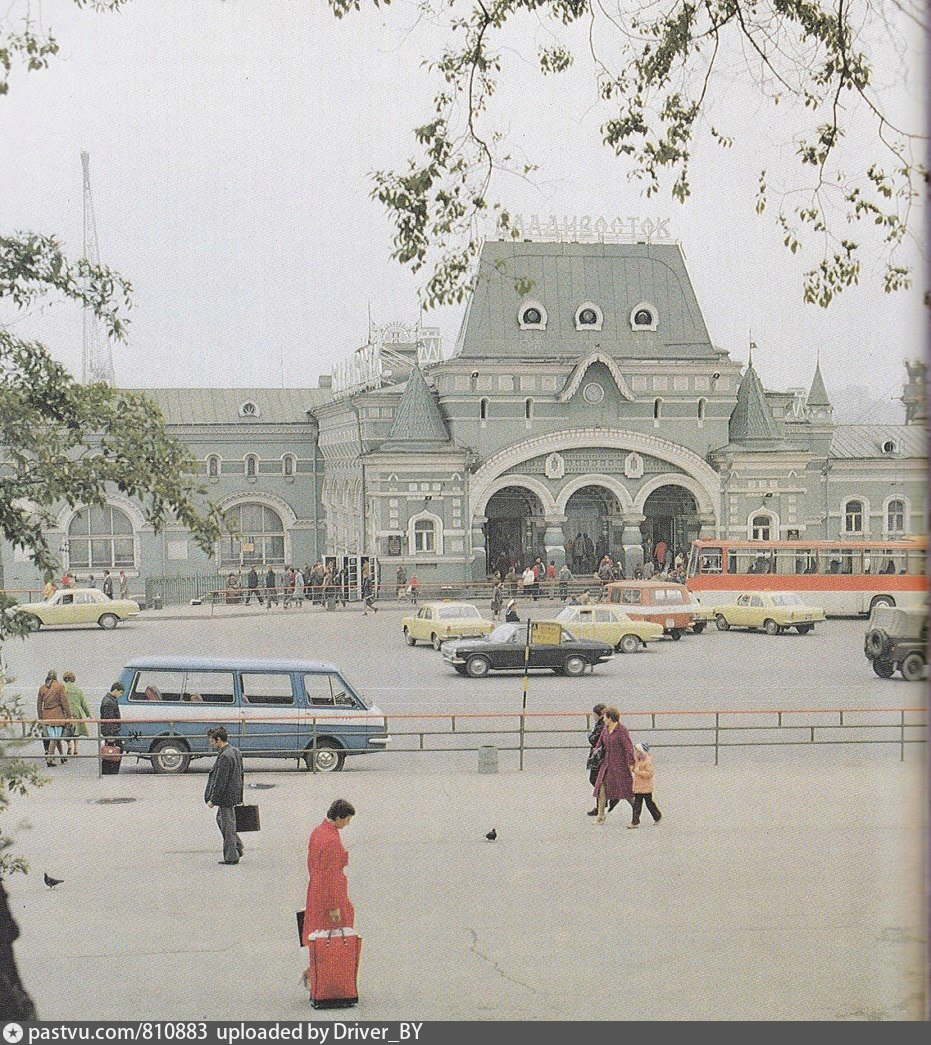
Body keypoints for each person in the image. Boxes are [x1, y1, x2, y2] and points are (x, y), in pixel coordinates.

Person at [303, 798, 356, 943]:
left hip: (316, 887)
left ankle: (316, 961)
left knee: (317, 930)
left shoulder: (318, 831)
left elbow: (311, 862)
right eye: (347, 819)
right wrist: (334, 906)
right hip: (330, 892)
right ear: (339, 817)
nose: (348, 823)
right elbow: (330, 875)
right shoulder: (331, 840)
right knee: (336, 932)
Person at [204, 726, 244, 865]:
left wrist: (212, 800)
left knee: (227, 825)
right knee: (223, 820)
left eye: (212, 741)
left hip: (226, 796)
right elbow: (240, 774)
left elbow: (220, 781)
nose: (211, 743)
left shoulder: (225, 757)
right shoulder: (235, 751)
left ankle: (232, 855)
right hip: (233, 793)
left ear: (218, 739)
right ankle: (236, 846)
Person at [590, 706, 635, 824]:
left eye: (605, 717)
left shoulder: (621, 730)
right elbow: (600, 740)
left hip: (620, 765)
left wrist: (631, 762)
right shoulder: (606, 729)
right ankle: (601, 816)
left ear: (611, 718)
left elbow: (629, 748)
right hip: (607, 764)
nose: (603, 719)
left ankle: (637, 811)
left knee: (626, 790)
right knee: (601, 789)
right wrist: (596, 750)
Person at [37, 670, 70, 767]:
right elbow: (64, 702)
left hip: (46, 715)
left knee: (56, 736)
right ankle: (50, 759)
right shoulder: (60, 687)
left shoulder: (42, 688)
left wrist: (40, 716)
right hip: (57, 715)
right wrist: (68, 716)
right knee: (55, 737)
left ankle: (62, 756)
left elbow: (39, 704)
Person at [629, 742, 662, 828]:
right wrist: (632, 768)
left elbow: (649, 774)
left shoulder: (647, 761)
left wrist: (637, 771)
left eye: (636, 751)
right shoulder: (638, 760)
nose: (635, 753)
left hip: (646, 787)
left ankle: (657, 815)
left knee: (649, 803)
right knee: (637, 805)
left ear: (641, 752)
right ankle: (635, 822)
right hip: (638, 787)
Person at [586, 703, 608, 816]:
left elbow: (594, 740)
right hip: (599, 755)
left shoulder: (601, 726)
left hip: (599, 757)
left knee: (596, 779)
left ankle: (602, 802)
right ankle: (601, 803)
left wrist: (589, 736)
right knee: (597, 780)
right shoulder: (601, 724)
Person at [62, 671, 91, 758]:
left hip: (66, 712)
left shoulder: (63, 688)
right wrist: (89, 714)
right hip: (77, 712)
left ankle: (69, 745)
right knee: (76, 731)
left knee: (67, 730)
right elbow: (84, 703)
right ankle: (76, 748)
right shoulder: (78, 690)